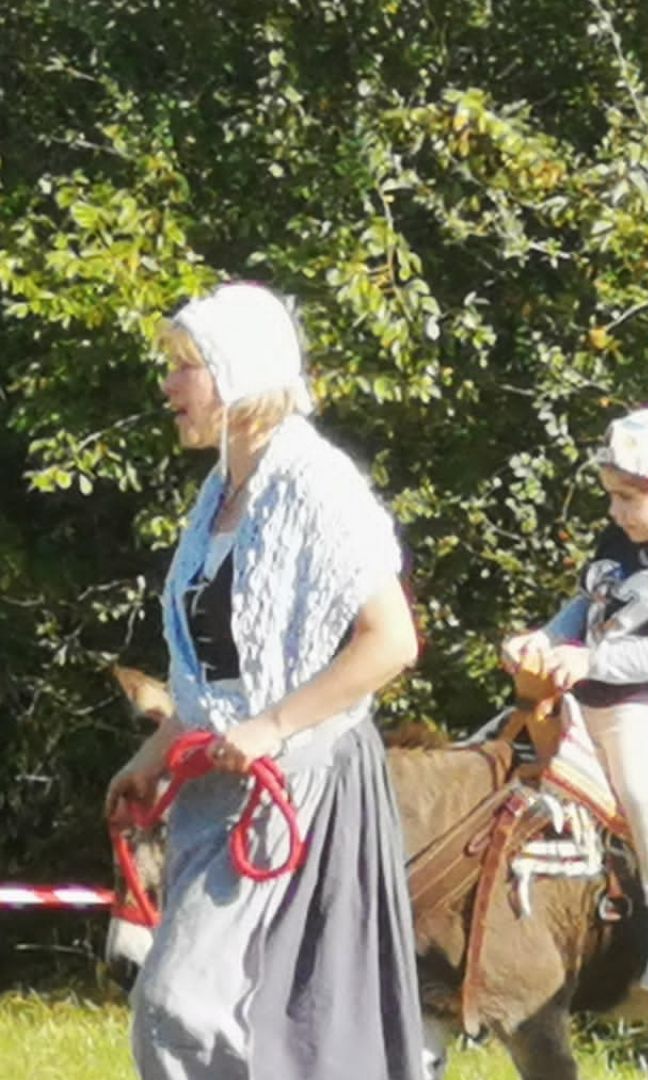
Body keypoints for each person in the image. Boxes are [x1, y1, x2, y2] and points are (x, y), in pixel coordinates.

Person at [105, 282, 425, 1079]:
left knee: (185, 1010)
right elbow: (222, 673)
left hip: (302, 786)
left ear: (240, 374)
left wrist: (273, 729)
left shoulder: (319, 483)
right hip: (220, 782)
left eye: (187, 368)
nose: (169, 387)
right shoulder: (221, 491)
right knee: (242, 1021)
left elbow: (392, 642)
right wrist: (155, 754)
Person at [500, 405, 648, 995]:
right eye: (611, 495)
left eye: (629, 497)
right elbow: (587, 604)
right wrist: (546, 638)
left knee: (640, 790)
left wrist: (590, 660)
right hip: (580, 692)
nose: (615, 510)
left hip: (646, 707)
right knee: (494, 750)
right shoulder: (618, 538)